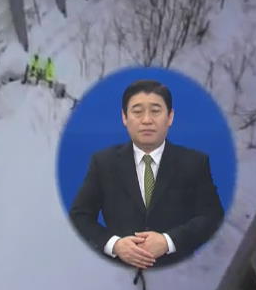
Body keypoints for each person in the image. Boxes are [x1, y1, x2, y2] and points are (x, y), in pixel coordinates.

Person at [68, 79, 224, 269]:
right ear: (124, 118)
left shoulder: (194, 162)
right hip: (118, 275)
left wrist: (168, 241)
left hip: (179, 274)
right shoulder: (103, 162)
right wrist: (115, 244)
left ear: (170, 117)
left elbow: (211, 216)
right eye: (137, 111)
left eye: (156, 111)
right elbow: (80, 216)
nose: (147, 120)